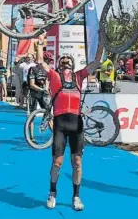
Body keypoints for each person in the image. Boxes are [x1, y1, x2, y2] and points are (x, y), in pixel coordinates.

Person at [36, 32, 103, 211]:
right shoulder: (54, 77)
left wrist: (101, 43)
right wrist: (40, 43)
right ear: (58, 65)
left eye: (68, 62)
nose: (65, 64)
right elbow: (41, 63)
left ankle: (76, 196)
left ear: (72, 64)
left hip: (76, 124)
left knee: (78, 162)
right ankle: (52, 192)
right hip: (60, 124)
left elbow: (96, 63)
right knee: (57, 162)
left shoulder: (79, 76)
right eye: (62, 62)